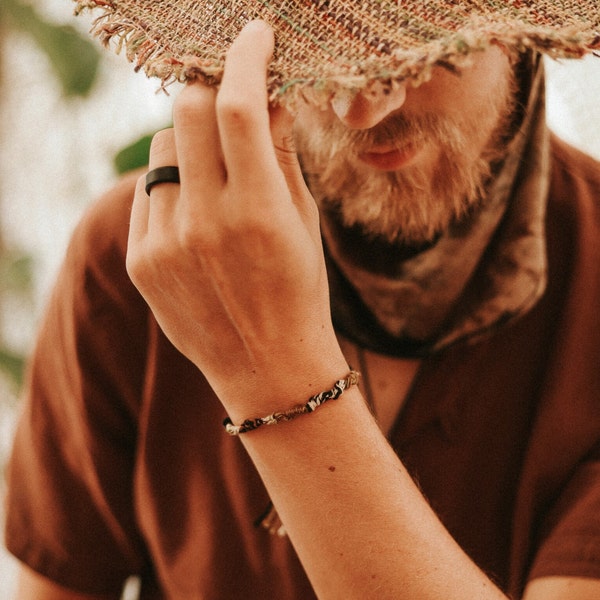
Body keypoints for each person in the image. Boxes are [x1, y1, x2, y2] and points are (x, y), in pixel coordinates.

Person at [4, 1, 600, 598]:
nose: (361, 107)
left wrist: (273, 370)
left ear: (524, 35)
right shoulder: (140, 254)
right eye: (313, 52)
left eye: (426, 52)